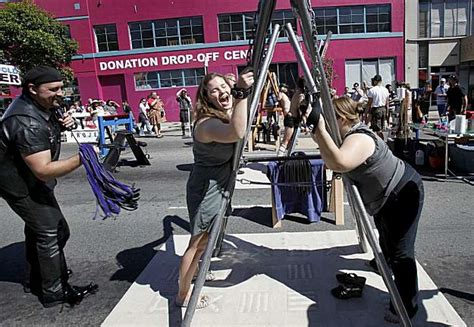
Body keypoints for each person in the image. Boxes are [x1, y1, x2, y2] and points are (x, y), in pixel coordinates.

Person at [312, 97, 423, 323]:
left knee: (402, 252)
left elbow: (339, 163)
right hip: (385, 196)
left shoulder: (359, 137)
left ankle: (407, 306)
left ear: (340, 119)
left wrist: (320, 129)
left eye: (327, 119)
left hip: (402, 192)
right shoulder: (346, 135)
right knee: (386, 238)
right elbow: (328, 156)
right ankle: (383, 262)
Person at [0, 66, 98, 308]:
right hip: (19, 184)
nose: (60, 93)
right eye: (53, 89)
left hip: (28, 179)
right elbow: (43, 169)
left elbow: (45, 132)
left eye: (62, 87)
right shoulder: (26, 122)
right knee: (52, 232)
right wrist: (84, 157)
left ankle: (38, 278)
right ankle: (54, 291)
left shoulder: (38, 107)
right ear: (32, 89)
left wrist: (59, 123)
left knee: (41, 231)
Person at [175, 69, 254, 309]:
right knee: (197, 245)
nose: (221, 92)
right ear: (206, 98)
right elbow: (238, 132)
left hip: (217, 184)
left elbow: (241, 119)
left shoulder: (222, 115)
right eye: (214, 91)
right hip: (207, 187)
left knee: (205, 240)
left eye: (223, 86)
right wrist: (240, 92)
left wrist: (240, 91)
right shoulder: (207, 124)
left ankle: (194, 275)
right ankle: (183, 296)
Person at [277, 77, 305, 156]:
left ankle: (286, 158)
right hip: (291, 118)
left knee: (290, 142)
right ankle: (279, 159)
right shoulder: (299, 94)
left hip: (292, 118)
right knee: (286, 141)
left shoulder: (297, 93)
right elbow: (300, 108)